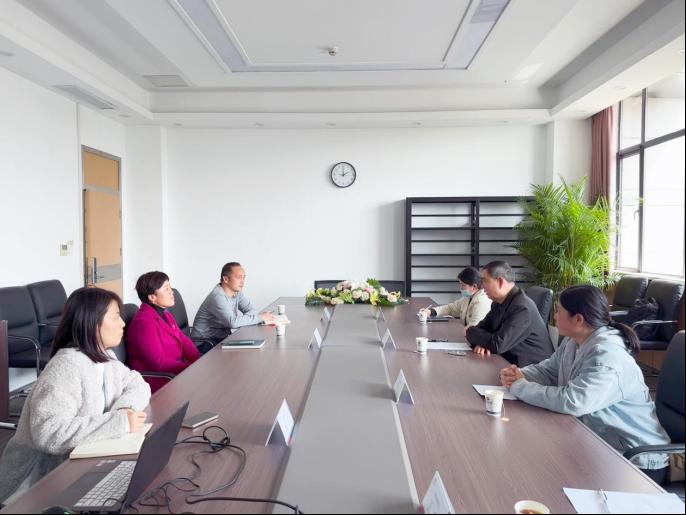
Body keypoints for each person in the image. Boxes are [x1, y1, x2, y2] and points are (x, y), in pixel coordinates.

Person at [501, 285, 670, 484]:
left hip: (635, 460)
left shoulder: (607, 355)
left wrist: (520, 386)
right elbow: (549, 370)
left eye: (559, 311)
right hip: (597, 443)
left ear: (578, 319)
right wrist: (520, 374)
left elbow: (572, 402)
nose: (554, 316)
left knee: (545, 476)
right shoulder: (573, 341)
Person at [0, 288, 150, 504]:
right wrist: (118, 423)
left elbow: (138, 384)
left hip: (83, 461)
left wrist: (124, 411)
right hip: (37, 482)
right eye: (116, 316)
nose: (123, 323)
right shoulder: (66, 366)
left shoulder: (105, 356)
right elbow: (48, 433)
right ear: (92, 322)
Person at [466, 261, 553, 366]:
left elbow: (497, 344)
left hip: (532, 370)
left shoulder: (522, 308)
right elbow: (480, 329)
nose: (482, 286)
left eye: (484, 281)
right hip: (508, 363)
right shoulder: (498, 303)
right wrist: (482, 341)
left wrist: (480, 339)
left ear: (500, 282)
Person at [127, 271, 201, 393]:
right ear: (152, 297)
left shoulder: (166, 315)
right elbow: (159, 363)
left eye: (170, 287)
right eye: (166, 289)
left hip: (175, 374)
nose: (172, 292)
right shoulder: (144, 323)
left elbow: (184, 341)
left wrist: (199, 360)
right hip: (160, 381)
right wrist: (192, 368)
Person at [191, 262, 275, 343]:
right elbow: (233, 323)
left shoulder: (237, 292)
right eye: (239, 277)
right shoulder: (217, 296)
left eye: (243, 277)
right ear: (226, 279)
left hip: (221, 339)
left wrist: (244, 320)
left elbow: (252, 310)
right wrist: (260, 318)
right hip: (205, 343)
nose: (242, 281)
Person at [418, 266, 491, 328]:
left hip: (474, 338)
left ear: (474, 286)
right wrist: (431, 311)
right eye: (460, 284)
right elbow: (451, 308)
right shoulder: (468, 298)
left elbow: (475, 327)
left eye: (463, 285)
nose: (460, 288)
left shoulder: (481, 301)